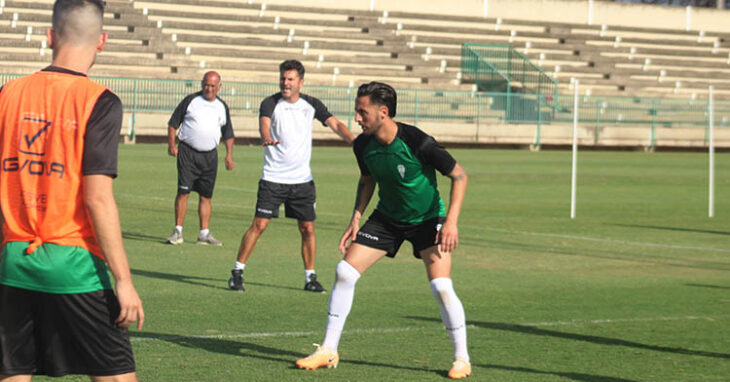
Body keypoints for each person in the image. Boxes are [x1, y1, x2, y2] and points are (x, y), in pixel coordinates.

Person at [0, 0, 144, 380]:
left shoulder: (8, 94)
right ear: (102, 42)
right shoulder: (99, 101)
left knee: (14, 372)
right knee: (115, 373)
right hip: (73, 266)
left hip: (13, 260)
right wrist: (124, 280)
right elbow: (97, 197)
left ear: (50, 36)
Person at [295, 82, 471, 379]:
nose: (357, 118)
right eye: (357, 111)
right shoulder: (363, 144)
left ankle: (462, 359)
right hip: (387, 217)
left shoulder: (418, 141)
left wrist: (450, 222)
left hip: (428, 219)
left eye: (362, 112)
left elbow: (460, 176)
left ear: (383, 112)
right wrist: (355, 218)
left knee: (441, 287)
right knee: (344, 272)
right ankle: (328, 349)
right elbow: (367, 180)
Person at [227, 60, 354, 293]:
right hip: (273, 178)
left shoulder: (311, 104)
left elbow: (335, 124)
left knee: (307, 228)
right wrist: (266, 137)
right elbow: (264, 124)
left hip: (302, 181)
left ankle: (310, 278)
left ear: (301, 82)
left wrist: (355, 142)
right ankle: (237, 272)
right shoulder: (270, 103)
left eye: (290, 79)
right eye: (283, 79)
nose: (285, 83)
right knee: (259, 225)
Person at [166, 71, 235, 246]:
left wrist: (229, 155)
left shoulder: (222, 106)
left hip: (210, 156)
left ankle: (204, 234)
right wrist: (172, 144)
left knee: (206, 196)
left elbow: (228, 133)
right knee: (184, 192)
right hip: (188, 153)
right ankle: (177, 232)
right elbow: (173, 123)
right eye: (206, 84)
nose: (208, 89)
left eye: (212, 86)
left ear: (219, 87)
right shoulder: (191, 101)